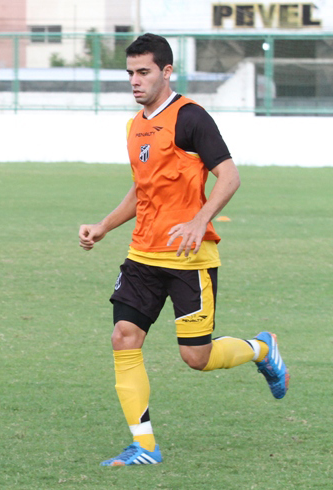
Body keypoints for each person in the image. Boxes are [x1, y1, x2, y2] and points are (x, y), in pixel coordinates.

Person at [78, 34, 288, 466]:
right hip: (142, 256)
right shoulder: (135, 125)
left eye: (144, 72)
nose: (135, 81)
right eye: (130, 73)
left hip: (189, 259)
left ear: (166, 72)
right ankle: (146, 447)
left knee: (196, 357)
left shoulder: (191, 117)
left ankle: (262, 348)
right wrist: (103, 226)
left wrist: (198, 220)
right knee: (123, 337)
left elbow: (228, 177)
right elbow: (142, 191)